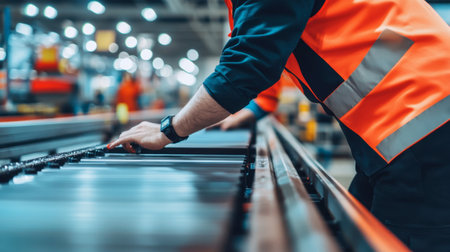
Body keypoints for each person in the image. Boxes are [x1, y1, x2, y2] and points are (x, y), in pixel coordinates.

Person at [108, 0, 450, 250]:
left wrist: (168, 130)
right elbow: (271, 49)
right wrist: (254, 110)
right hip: (408, 125)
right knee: (357, 229)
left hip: (425, 123)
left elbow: (251, 61)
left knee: (405, 237)